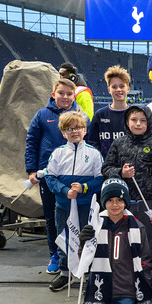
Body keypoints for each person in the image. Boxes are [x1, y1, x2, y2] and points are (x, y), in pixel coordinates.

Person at [78, 176, 152, 304]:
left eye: (119, 200)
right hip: (100, 286)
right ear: (104, 202)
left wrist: (143, 286)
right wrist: (83, 242)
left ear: (126, 202)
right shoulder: (95, 225)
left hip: (126, 288)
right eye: (110, 200)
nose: (115, 205)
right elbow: (83, 260)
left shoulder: (137, 226)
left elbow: (146, 259)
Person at [44, 111, 104, 291]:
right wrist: (64, 191)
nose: (74, 131)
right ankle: (65, 273)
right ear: (63, 133)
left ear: (85, 130)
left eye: (78, 127)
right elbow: (50, 178)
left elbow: (101, 179)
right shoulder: (58, 153)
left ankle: (87, 274)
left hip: (86, 207)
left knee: (87, 239)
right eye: (69, 129)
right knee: (64, 238)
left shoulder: (94, 154)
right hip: (63, 206)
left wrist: (84, 188)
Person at [25, 78, 80, 273]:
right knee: (52, 218)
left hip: (75, 176)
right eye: (61, 93)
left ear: (74, 96)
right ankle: (55, 254)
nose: (65, 97)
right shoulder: (42, 115)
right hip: (48, 176)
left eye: (69, 94)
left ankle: (76, 255)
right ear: (53, 94)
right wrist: (32, 170)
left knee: (77, 217)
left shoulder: (82, 116)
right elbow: (32, 143)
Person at [102, 104, 152, 248]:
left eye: (143, 120)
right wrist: (121, 172)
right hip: (122, 204)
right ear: (127, 122)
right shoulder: (118, 143)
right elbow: (106, 169)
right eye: (134, 120)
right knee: (123, 241)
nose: (138, 123)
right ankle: (125, 268)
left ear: (150, 122)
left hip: (148, 204)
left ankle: (145, 268)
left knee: (147, 242)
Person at [88, 65, 130, 158]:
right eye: (114, 87)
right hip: (104, 168)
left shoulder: (134, 115)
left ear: (128, 89)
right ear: (109, 90)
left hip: (129, 167)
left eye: (122, 86)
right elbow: (92, 143)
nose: (118, 90)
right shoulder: (100, 115)